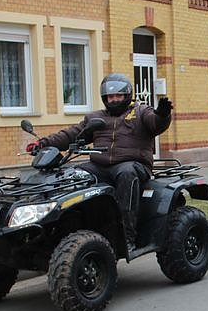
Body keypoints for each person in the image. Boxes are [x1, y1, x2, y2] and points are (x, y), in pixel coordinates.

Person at [27, 73, 172, 251]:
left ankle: (128, 236)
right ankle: (69, 228)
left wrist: (163, 115)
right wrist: (43, 143)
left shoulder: (140, 112)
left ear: (127, 96)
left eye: (118, 96)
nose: (114, 100)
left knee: (126, 174)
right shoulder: (95, 117)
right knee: (72, 175)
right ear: (105, 98)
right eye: (110, 97)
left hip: (133, 164)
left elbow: (155, 123)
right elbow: (72, 134)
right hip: (100, 166)